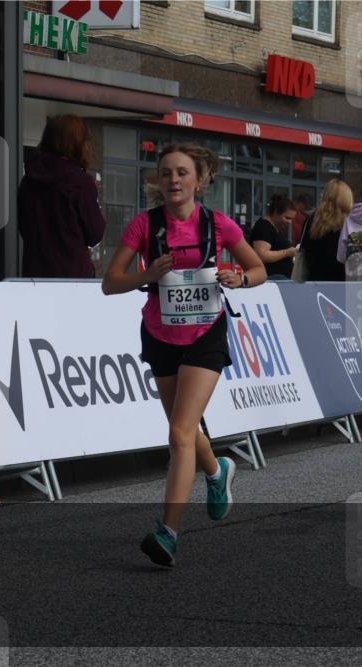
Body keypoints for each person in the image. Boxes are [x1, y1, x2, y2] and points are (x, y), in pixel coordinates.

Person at [102, 143, 267, 568]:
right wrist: (147, 274)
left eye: (181, 173)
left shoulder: (219, 224)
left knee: (179, 433)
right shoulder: (144, 225)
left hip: (205, 334)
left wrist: (240, 278)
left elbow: (258, 269)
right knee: (186, 431)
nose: (173, 180)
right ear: (157, 181)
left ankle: (168, 532)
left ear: (199, 179)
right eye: (165, 173)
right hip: (159, 334)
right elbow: (110, 282)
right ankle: (217, 471)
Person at [18, 114, 106, 277]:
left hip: (34, 275)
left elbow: (23, 227)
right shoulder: (80, 182)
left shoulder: (27, 181)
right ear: (77, 144)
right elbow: (95, 234)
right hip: (73, 278)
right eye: (86, 140)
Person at [297, 179, 352, 282]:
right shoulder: (349, 222)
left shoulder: (311, 219)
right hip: (342, 283)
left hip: (314, 281)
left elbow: (303, 250)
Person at [250, 194, 296, 280]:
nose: (290, 222)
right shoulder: (264, 227)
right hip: (272, 278)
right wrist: (287, 252)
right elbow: (261, 255)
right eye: (287, 218)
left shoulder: (275, 228)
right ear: (276, 212)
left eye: (292, 219)